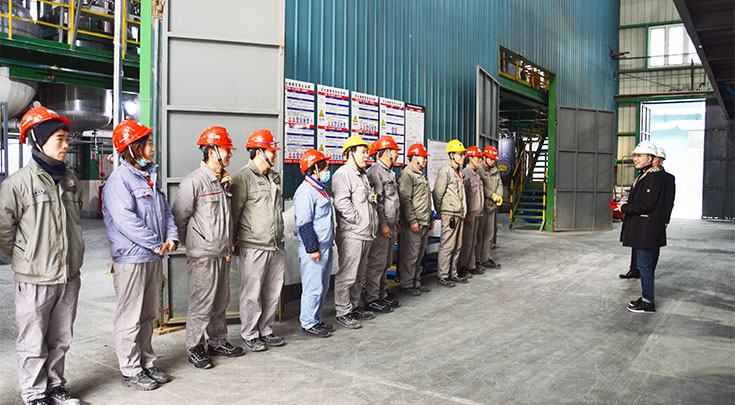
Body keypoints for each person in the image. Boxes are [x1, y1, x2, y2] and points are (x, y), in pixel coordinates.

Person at [0, 106, 83, 405]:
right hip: (35, 277)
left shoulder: (70, 181)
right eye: (59, 139)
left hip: (68, 275)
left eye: (67, 139)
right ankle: (35, 393)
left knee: (61, 338)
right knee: (33, 340)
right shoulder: (17, 184)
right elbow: (4, 229)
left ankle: (56, 385)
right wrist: (27, 255)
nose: (66, 145)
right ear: (39, 140)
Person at [102, 119, 179, 390]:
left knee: (147, 316)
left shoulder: (149, 178)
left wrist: (171, 238)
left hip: (152, 257)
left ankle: (147, 362)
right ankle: (131, 369)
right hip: (132, 259)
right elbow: (126, 221)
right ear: (132, 148)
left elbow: (166, 213)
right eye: (147, 143)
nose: (152, 148)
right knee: (130, 316)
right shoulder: (119, 181)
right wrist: (156, 243)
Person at [172, 126, 243, 369]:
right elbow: (179, 216)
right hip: (203, 254)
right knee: (202, 302)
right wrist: (190, 243)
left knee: (220, 301)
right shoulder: (194, 181)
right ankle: (194, 346)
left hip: (222, 252)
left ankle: (217, 341)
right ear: (212, 151)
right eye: (226, 150)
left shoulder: (223, 181)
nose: (230, 154)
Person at [231, 129, 286, 351]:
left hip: (275, 245)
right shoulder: (242, 177)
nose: (275, 154)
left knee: (272, 293)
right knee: (252, 294)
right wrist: (233, 242)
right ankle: (250, 333)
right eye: (271, 151)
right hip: (253, 245)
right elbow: (234, 214)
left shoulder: (274, 176)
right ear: (259, 152)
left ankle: (266, 330)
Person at [332, 135, 378, 329]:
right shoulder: (343, 174)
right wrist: (358, 220)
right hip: (352, 233)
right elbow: (341, 202)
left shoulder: (363, 175)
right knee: (348, 275)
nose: (366, 155)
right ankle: (343, 311)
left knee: (360, 275)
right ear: (350, 153)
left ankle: (354, 306)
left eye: (367, 152)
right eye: (363, 152)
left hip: (366, 233)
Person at [614, 141, 667, 313]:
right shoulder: (644, 175)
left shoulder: (653, 178)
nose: (635, 159)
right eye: (635, 156)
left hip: (647, 229)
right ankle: (646, 297)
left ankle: (647, 301)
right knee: (644, 265)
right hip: (642, 227)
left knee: (645, 266)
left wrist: (625, 208)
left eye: (639, 156)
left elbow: (646, 205)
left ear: (650, 158)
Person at [294, 149, 334, 338]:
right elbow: (304, 223)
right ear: (314, 169)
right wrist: (312, 249)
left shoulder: (319, 188)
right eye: (324, 167)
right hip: (314, 249)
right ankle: (308, 323)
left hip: (325, 245)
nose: (327, 171)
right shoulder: (305, 191)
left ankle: (316, 319)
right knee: (313, 287)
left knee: (322, 286)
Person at [619, 145, 675, 280]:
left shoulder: (665, 178)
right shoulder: (643, 175)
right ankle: (634, 270)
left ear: (661, 161)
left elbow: (668, 201)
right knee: (637, 245)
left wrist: (666, 219)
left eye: (655, 158)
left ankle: (647, 273)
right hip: (639, 219)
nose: (653, 160)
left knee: (650, 248)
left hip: (653, 218)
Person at [364, 136, 402, 313]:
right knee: (377, 262)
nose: (397, 154)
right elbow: (378, 203)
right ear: (386, 152)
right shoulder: (375, 172)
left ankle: (382, 294)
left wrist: (396, 222)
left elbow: (393, 201)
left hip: (391, 225)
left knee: (386, 261)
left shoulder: (389, 172)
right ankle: (372, 298)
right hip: (382, 227)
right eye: (395, 151)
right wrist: (384, 225)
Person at [397, 143, 433, 296]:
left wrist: (430, 218)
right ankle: (406, 284)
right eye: (423, 157)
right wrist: (412, 220)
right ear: (414, 157)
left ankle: (415, 282)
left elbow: (425, 199)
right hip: (414, 223)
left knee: (419, 255)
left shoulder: (421, 174)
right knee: (410, 255)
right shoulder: (406, 175)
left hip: (424, 220)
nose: (425, 160)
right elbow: (405, 200)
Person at [432, 139, 468, 287]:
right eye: (460, 154)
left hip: (459, 214)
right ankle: (443, 275)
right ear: (452, 155)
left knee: (457, 246)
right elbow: (437, 193)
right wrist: (440, 211)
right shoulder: (445, 171)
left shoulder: (459, 172)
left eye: (463, 154)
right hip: (450, 214)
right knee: (447, 246)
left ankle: (453, 274)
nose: (463, 157)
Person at [458, 146, 485, 279]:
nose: (480, 160)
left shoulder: (477, 174)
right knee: (467, 243)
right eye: (478, 158)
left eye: (480, 158)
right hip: (470, 214)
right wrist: (467, 213)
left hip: (477, 213)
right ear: (470, 158)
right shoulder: (466, 173)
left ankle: (471, 265)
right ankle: (461, 267)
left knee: (473, 242)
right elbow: (464, 196)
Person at [476, 145, 503, 270]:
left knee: (489, 235)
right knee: (479, 235)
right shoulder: (479, 170)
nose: (492, 161)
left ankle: (485, 259)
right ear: (484, 158)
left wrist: (499, 195)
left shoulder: (495, 170)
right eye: (491, 159)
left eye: (494, 159)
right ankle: (477, 260)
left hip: (491, 208)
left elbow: (499, 184)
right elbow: (481, 187)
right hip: (481, 208)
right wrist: (492, 195)